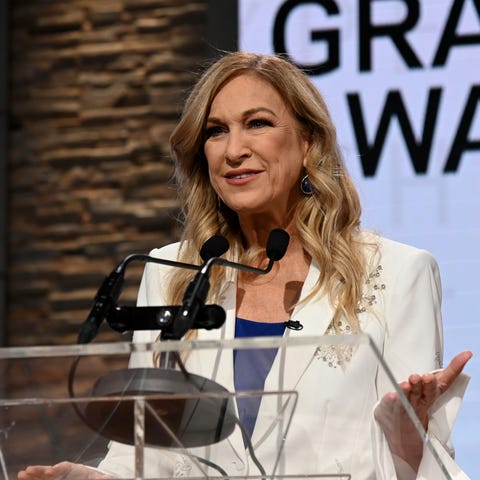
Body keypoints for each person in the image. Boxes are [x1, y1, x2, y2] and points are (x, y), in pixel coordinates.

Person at [18, 52, 472, 480]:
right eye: (216, 131)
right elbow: (145, 449)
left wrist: (407, 435)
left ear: (308, 141)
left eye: (257, 123)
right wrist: (96, 476)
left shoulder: (398, 272)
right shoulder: (171, 270)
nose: (233, 150)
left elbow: (429, 463)